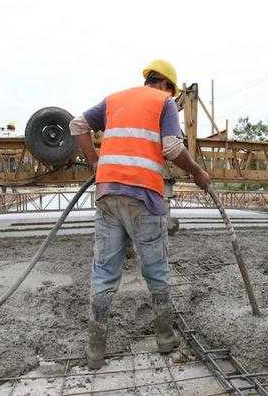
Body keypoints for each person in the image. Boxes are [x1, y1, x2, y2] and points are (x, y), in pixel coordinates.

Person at [70, 59, 211, 370]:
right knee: (156, 270)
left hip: (107, 194)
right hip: (144, 196)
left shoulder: (114, 99)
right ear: (166, 87)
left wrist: (96, 163)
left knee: (104, 272)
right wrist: (198, 172)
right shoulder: (164, 103)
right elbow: (172, 148)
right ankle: (165, 339)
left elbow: (76, 125)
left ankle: (95, 351)